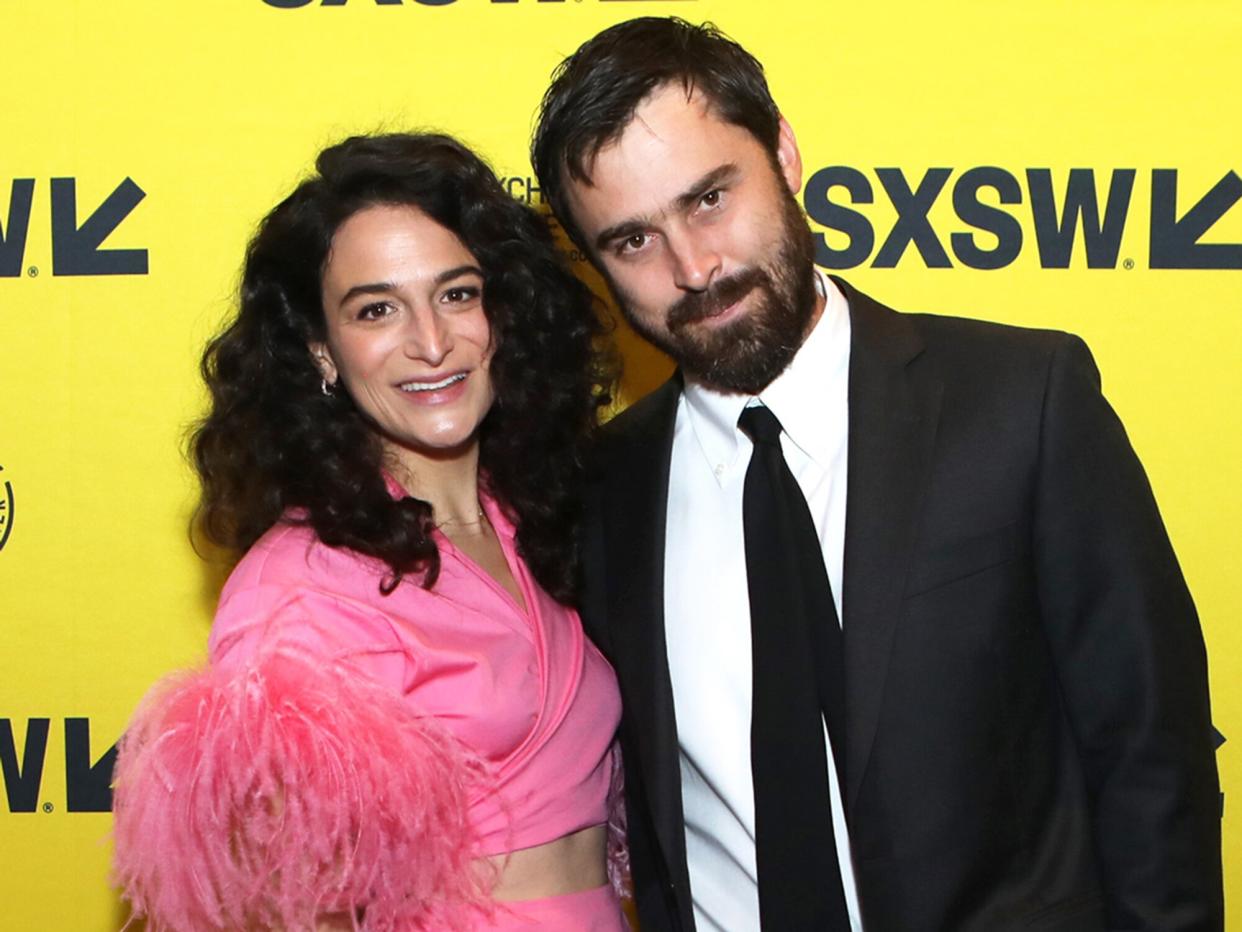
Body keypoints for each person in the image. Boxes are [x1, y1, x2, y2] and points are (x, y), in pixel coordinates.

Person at [530, 17, 1223, 932]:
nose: (692, 268)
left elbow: (1151, 755)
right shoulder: (603, 491)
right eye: (631, 242)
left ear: (782, 152)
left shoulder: (1021, 405)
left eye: (708, 199)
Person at [111, 133, 631, 931]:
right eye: (377, 309)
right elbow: (284, 906)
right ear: (322, 349)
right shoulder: (299, 587)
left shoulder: (537, 520)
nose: (431, 341)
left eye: (457, 293)